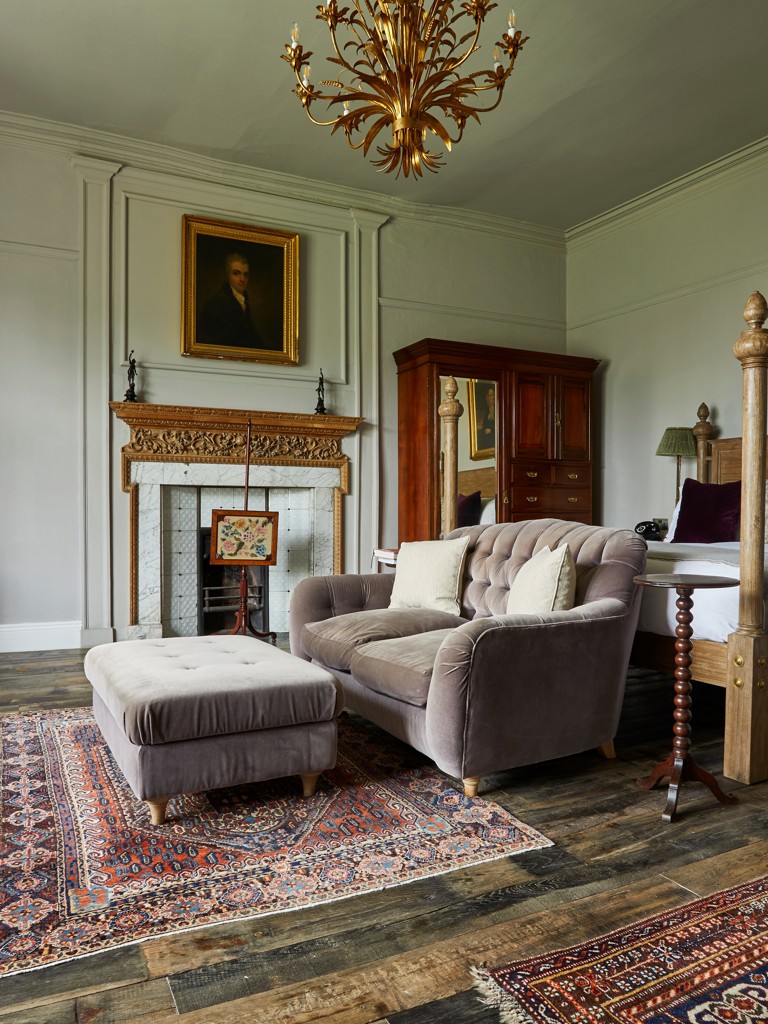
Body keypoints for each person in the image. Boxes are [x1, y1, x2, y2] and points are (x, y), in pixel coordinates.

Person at [197, 252, 262, 348]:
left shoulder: (244, 301)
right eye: (236, 273)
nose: (242, 279)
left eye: (245, 274)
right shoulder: (216, 303)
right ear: (227, 275)